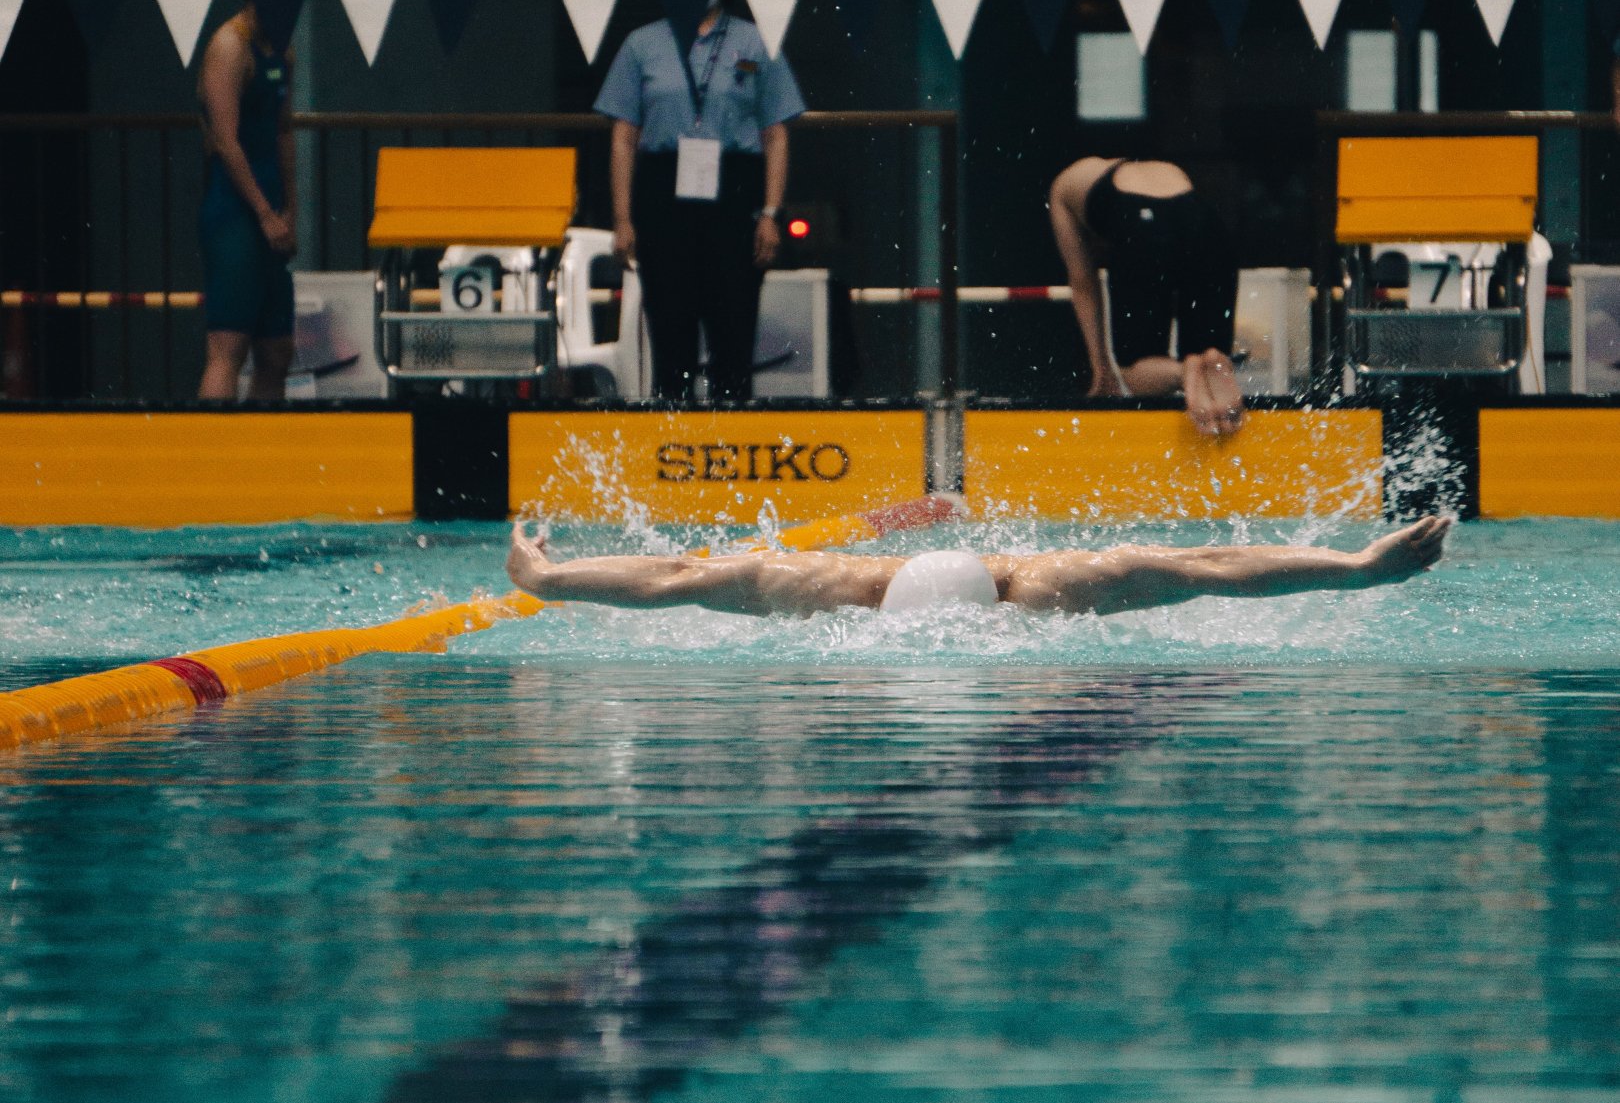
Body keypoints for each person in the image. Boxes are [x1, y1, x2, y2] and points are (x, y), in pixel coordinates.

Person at [595, 0, 805, 401]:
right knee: (670, 322)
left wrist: (771, 213)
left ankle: (732, 427)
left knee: (733, 319)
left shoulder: (755, 41)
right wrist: (623, 219)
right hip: (662, 187)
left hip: (734, 188)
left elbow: (776, 133)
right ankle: (674, 426)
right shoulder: (641, 44)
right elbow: (623, 138)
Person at [508, 515, 1451, 618]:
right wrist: (1353, 568)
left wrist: (549, 579)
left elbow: (676, 577)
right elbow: (1209, 565)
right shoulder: (827, 585)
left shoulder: (1046, 583)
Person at [1049, 154, 1243, 436]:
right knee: (1208, 360)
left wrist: (1102, 368)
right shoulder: (1162, 170)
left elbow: (1083, 283)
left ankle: (1183, 371)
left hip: (1141, 226)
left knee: (1134, 373)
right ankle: (1210, 360)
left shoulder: (1063, 188)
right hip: (1206, 224)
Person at [195, 1, 297, 402]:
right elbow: (226, 142)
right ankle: (213, 443)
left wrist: (291, 210)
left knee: (277, 351)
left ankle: (263, 442)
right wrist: (265, 214)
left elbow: (284, 131)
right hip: (234, 212)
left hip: (271, 209)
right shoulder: (230, 46)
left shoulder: (282, 48)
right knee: (228, 348)